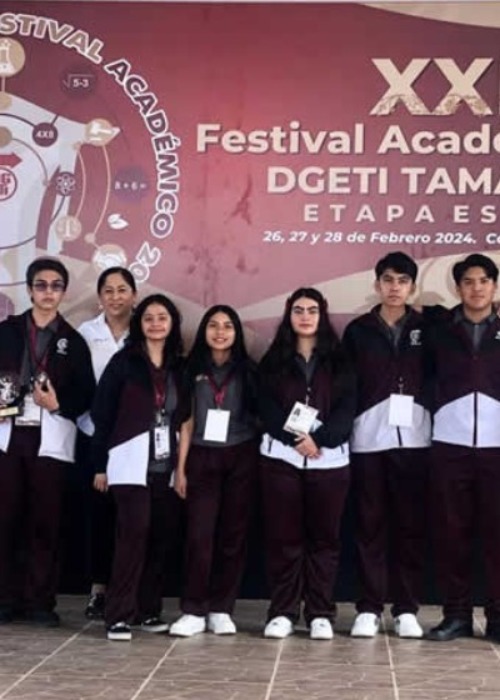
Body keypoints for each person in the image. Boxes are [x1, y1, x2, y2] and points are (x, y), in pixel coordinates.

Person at [0, 257, 95, 626]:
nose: (48, 292)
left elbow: (86, 395)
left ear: (64, 292)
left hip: (51, 441)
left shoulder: (73, 341)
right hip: (8, 438)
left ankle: (40, 601)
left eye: (56, 286)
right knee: (5, 519)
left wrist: (59, 404)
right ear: (29, 290)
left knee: (45, 522)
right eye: (41, 285)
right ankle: (5, 598)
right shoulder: (7, 332)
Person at [258, 287, 355, 640]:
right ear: (289, 315)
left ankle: (320, 612)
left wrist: (322, 439)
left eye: (312, 310)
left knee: (324, 541)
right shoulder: (274, 360)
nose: (305, 316)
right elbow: (265, 406)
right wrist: (295, 439)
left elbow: (348, 408)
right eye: (298, 310)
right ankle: (283, 611)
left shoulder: (340, 359)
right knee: (284, 540)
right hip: (282, 460)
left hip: (329, 462)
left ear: (322, 314)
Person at [343, 252, 430, 639]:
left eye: (403, 281)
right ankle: (369, 607)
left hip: (416, 437)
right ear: (376, 284)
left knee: (410, 526)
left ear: (413, 287)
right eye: (389, 280)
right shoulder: (358, 331)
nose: (395, 287)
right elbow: (346, 384)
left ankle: (406, 609)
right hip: (369, 437)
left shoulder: (428, 327)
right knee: (370, 526)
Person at [91, 294, 188, 641]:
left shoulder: (179, 367)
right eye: (149, 318)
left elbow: (184, 417)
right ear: (139, 324)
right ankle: (118, 615)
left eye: (162, 317)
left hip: (164, 464)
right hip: (128, 461)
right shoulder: (124, 362)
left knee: (159, 538)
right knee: (132, 537)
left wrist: (181, 468)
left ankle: (148, 611)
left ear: (172, 324)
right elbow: (102, 415)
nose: (156, 324)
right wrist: (100, 465)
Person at [170, 305, 259, 637]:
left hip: (241, 455)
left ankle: (221, 608)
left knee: (232, 536)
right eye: (213, 325)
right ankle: (193, 610)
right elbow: (186, 422)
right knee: (199, 535)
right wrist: (180, 469)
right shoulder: (190, 369)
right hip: (201, 456)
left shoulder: (249, 370)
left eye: (227, 326)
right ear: (204, 331)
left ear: (236, 333)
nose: (220, 332)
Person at [426, 253, 500, 642]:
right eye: (468, 282)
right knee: (451, 533)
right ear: (458, 288)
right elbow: (423, 378)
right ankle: (455, 615)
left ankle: (498, 617)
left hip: (497, 447)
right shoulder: (440, 330)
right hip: (449, 445)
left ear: (494, 286)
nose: (476, 288)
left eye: (484, 280)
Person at [77, 267, 137, 620]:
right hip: (94, 436)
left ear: (134, 295)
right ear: (100, 297)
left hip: (134, 440)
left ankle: (130, 591)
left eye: (122, 289)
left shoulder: (144, 330)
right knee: (99, 517)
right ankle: (98, 590)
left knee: (131, 518)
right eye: (109, 291)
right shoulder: (86, 333)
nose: (116, 297)